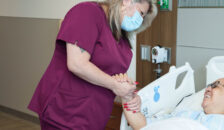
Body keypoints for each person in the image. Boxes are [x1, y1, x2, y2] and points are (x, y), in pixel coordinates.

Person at [28, 0, 157, 129]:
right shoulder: (87, 12)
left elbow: (119, 76)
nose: (140, 19)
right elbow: (76, 64)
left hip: (94, 115)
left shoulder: (121, 38)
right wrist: (115, 85)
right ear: (127, 1)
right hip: (65, 111)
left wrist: (131, 95)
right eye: (141, 13)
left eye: (143, 17)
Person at [120, 74, 224, 130]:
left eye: (216, 85)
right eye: (210, 84)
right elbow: (142, 125)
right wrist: (126, 96)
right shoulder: (184, 115)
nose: (208, 88)